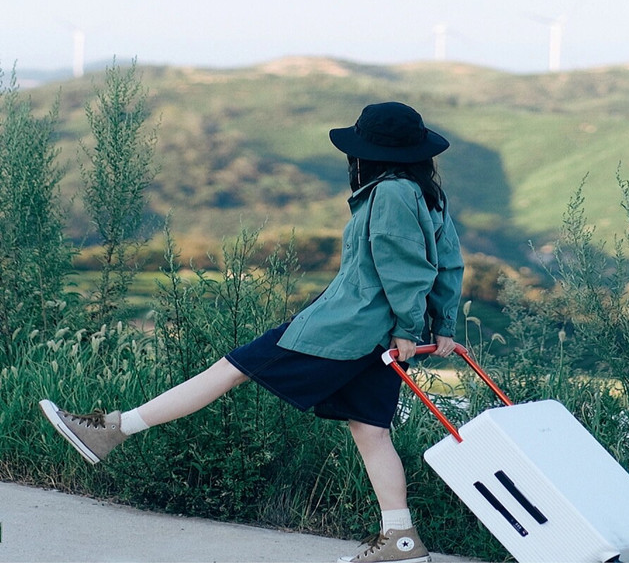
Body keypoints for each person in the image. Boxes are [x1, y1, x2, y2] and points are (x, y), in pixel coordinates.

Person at [40, 101, 464, 563]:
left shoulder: (391, 194)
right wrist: (439, 326)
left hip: (346, 327)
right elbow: (448, 265)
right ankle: (401, 538)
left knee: (232, 367)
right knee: (371, 431)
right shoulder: (427, 194)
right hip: (376, 340)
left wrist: (408, 327)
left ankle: (114, 430)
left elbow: (401, 265)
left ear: (366, 154)